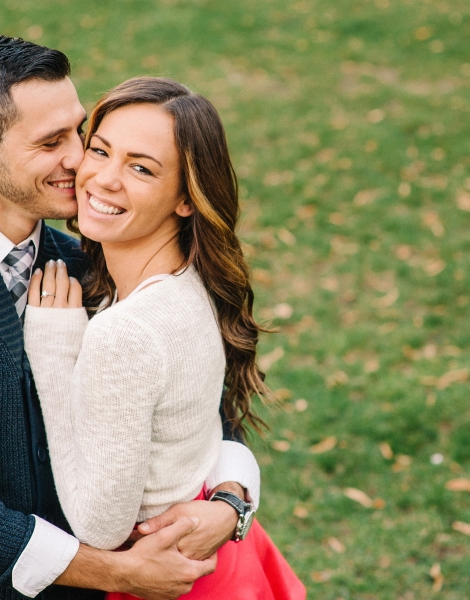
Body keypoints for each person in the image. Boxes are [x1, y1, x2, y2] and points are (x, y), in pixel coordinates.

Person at [0, 36, 261, 600]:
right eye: (52, 142)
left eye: (79, 132)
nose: (81, 160)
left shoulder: (94, 260)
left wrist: (230, 503)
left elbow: (193, 406)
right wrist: (119, 573)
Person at [23, 78, 305, 599]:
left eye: (141, 168)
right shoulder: (190, 281)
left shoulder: (124, 334)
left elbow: (99, 527)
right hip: (218, 557)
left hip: (167, 576)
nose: (103, 179)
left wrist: (56, 353)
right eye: (101, 150)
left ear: (185, 200)